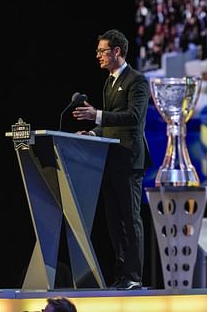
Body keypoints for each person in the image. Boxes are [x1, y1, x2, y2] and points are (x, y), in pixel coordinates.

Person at [73, 29, 152, 290]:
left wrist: (96, 116)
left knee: (130, 220)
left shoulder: (137, 81)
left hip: (129, 161)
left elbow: (132, 118)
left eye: (102, 51)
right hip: (109, 160)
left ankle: (134, 276)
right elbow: (109, 123)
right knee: (114, 223)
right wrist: (93, 132)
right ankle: (121, 275)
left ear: (117, 51)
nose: (98, 56)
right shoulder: (109, 82)